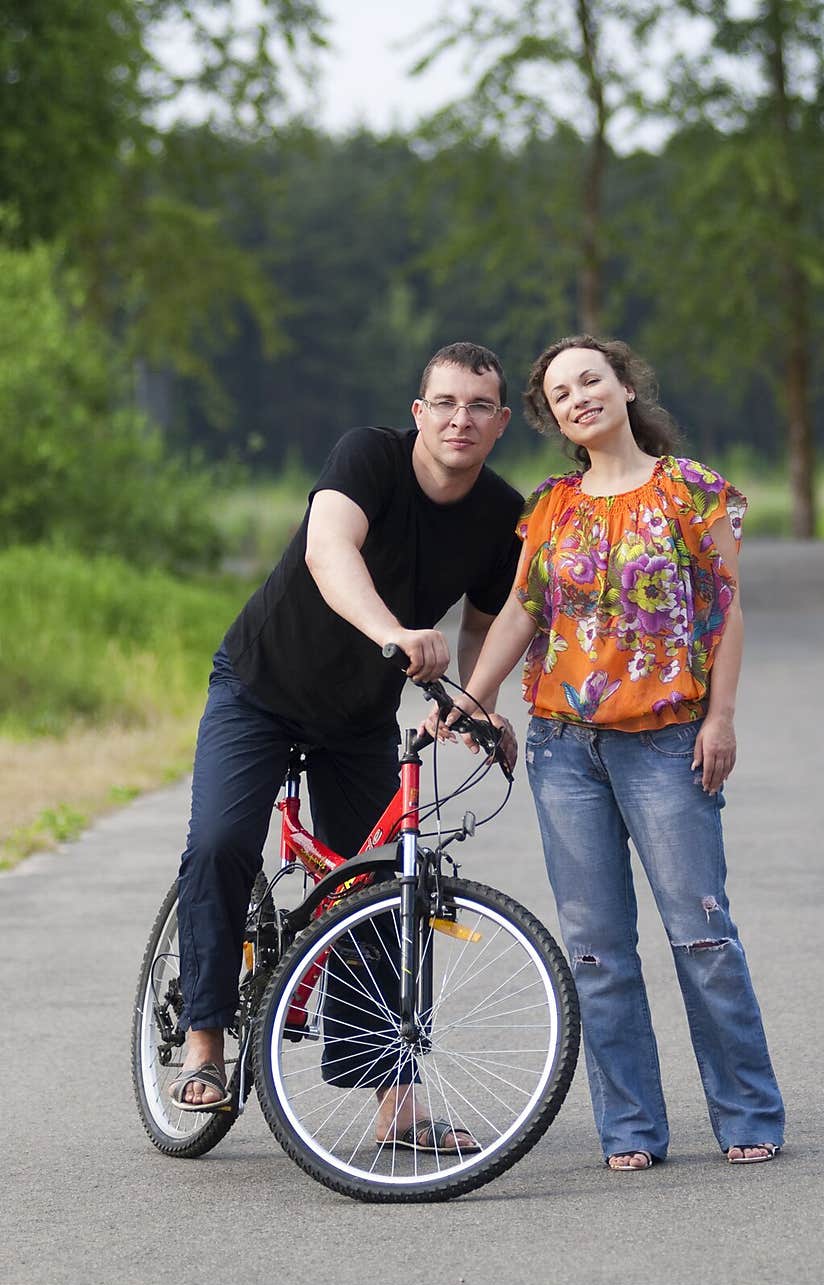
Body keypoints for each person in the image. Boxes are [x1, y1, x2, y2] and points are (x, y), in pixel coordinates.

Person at [440, 333, 786, 1170]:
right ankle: (630, 1128)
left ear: (625, 387)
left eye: (591, 380)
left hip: (668, 743)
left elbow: (726, 610)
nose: (579, 397)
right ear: (553, 417)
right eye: (561, 393)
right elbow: (522, 611)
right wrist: (472, 696)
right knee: (596, 949)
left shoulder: (690, 492)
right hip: (566, 753)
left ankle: (748, 1111)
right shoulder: (552, 505)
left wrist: (721, 717)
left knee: (702, 937)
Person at [169, 340, 523, 1155]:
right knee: (221, 843)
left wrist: (477, 703)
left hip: (358, 717)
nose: (459, 419)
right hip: (260, 686)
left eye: (478, 406)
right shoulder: (368, 456)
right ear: (418, 412)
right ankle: (206, 1040)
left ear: (501, 422)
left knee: (382, 882)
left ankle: (395, 1100)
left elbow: (483, 620)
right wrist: (393, 631)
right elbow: (330, 552)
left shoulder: (499, 515)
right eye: (444, 402)